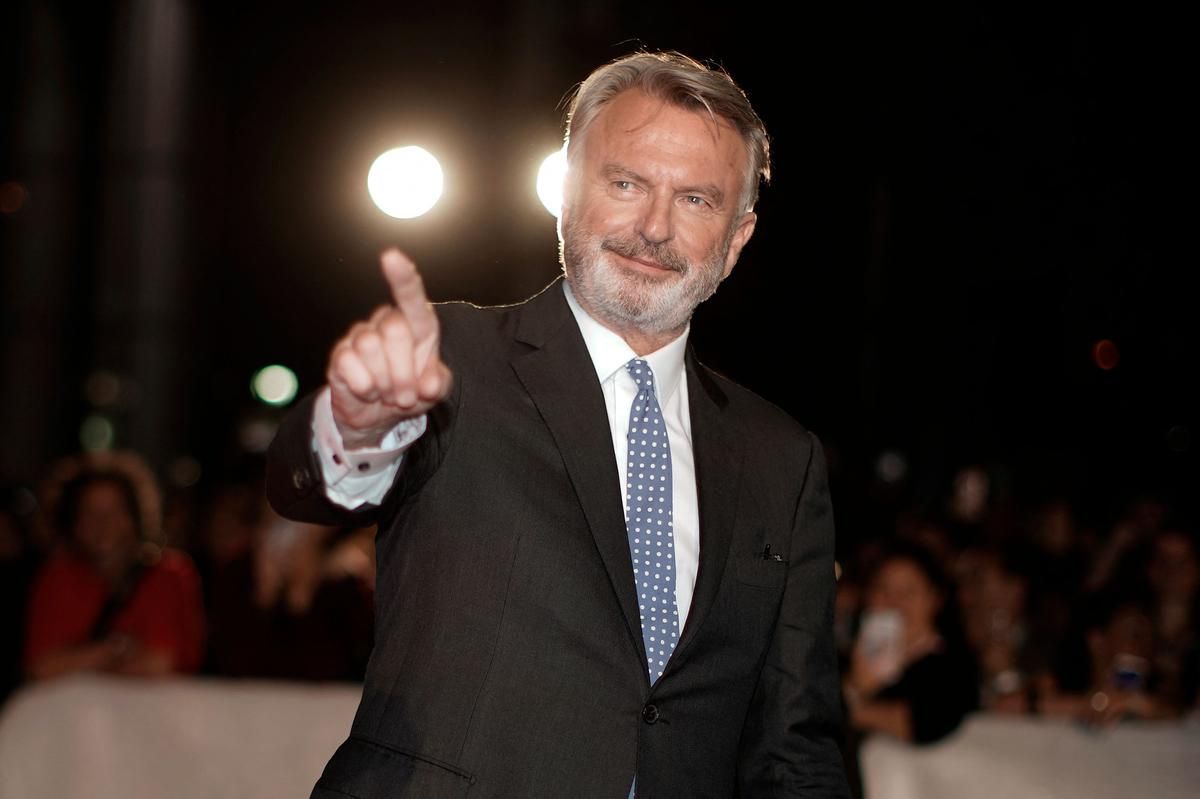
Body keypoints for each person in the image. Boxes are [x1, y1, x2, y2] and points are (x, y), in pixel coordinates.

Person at [268, 51, 848, 797]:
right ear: (565, 191)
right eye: (626, 183)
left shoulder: (781, 458)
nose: (654, 227)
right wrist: (357, 427)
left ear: (736, 239)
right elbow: (304, 485)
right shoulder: (451, 358)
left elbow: (794, 748)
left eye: (696, 200)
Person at [24, 452, 205, 681]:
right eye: (90, 512)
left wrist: (80, 659)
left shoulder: (169, 573)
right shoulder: (57, 576)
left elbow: (160, 663)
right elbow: (42, 667)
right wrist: (115, 651)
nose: (103, 523)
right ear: (73, 522)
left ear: (136, 516)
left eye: (116, 511)